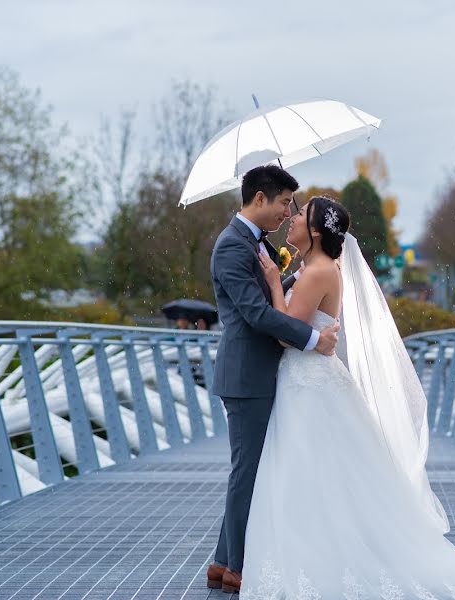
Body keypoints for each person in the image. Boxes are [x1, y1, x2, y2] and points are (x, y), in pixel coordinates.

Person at [235, 196, 455, 599]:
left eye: (300, 215)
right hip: (309, 379)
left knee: (308, 475)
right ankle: (320, 561)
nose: (291, 219)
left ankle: (321, 567)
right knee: (322, 477)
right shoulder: (318, 267)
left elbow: (286, 331)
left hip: (309, 385)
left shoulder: (319, 270)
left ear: (317, 230)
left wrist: (273, 282)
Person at [206, 166, 340, 593]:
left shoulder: (253, 243)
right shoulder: (232, 246)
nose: (288, 212)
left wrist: (286, 279)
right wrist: (313, 337)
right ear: (259, 199)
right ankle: (237, 569)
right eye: (284, 202)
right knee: (248, 471)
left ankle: (223, 561)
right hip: (247, 374)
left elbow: (267, 299)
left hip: (259, 371)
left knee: (253, 469)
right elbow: (256, 314)